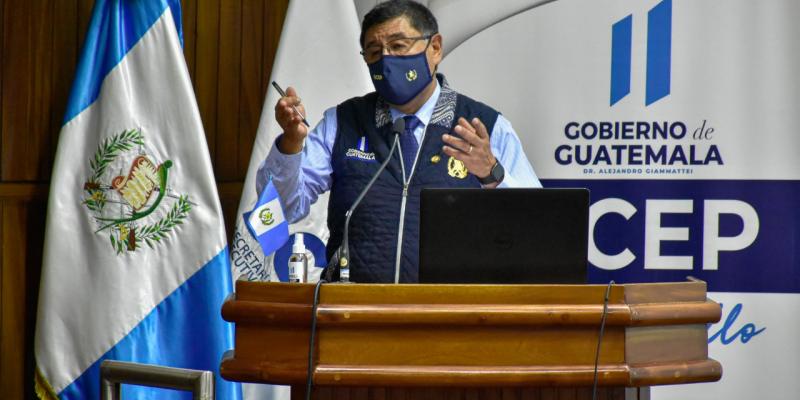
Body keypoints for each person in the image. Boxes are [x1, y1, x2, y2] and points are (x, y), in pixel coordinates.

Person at [257, 0, 541, 283]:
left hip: (453, 314)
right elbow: (280, 208)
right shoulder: (343, 122)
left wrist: (492, 174)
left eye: (398, 45)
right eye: (374, 51)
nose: (387, 59)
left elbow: (537, 226)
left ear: (435, 48)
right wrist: (291, 145)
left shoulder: (484, 127)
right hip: (353, 314)